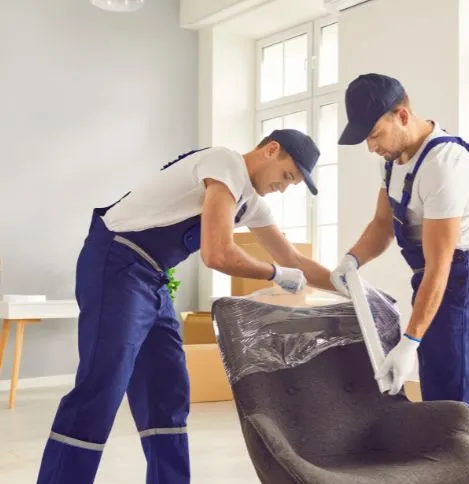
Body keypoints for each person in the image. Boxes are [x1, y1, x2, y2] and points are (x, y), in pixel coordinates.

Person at [36, 129, 336, 484]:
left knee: (167, 390)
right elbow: (217, 253)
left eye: (292, 185)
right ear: (272, 150)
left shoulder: (250, 202)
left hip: (152, 276)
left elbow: (294, 259)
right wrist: (274, 274)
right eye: (287, 177)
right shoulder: (224, 163)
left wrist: (353, 287)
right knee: (103, 384)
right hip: (116, 262)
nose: (283, 188)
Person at [330, 73, 469, 426]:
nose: (371, 147)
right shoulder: (392, 159)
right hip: (432, 274)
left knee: (455, 391)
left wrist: (409, 341)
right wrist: (352, 259)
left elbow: (441, 263)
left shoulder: (444, 163)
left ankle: (463, 469)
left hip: (462, 274)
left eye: (374, 135)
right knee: (435, 381)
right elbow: (382, 224)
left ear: (402, 116)